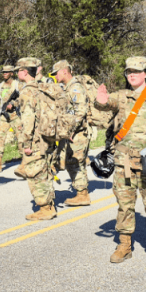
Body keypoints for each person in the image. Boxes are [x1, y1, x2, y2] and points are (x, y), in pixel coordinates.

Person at [93, 56, 146, 267]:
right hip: (123, 163)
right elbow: (105, 104)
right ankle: (124, 246)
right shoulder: (121, 96)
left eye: (137, 71)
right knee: (124, 205)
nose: (131, 74)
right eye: (129, 71)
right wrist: (99, 100)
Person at [15, 57, 55, 220]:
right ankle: (49, 204)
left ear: (25, 72)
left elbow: (28, 119)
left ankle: (45, 208)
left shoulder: (27, 91)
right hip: (47, 135)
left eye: (19, 70)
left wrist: (26, 143)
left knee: (34, 173)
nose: (17, 72)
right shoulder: (42, 87)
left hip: (36, 139)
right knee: (44, 169)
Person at [52, 60, 92, 205]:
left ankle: (83, 195)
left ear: (64, 71)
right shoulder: (66, 88)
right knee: (71, 161)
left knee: (75, 162)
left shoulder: (75, 88)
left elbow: (80, 113)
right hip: (71, 132)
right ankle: (81, 191)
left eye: (56, 72)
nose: (55, 76)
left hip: (77, 133)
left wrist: (70, 131)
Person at [0, 65, 20, 172]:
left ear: (12, 73)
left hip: (15, 115)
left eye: (7, 72)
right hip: (4, 115)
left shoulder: (17, 85)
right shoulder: (1, 86)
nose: (4, 74)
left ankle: (26, 163)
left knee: (21, 138)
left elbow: (23, 98)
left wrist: (13, 103)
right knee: (0, 137)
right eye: (3, 72)